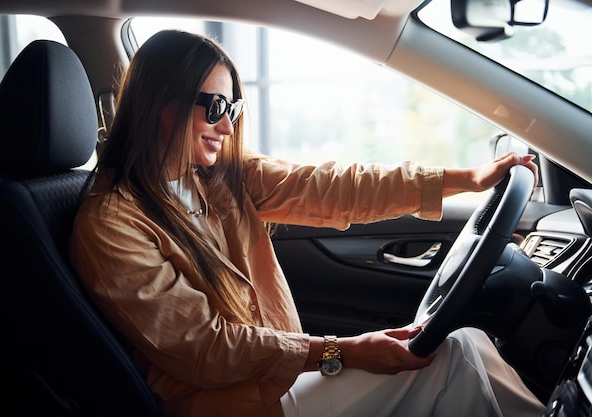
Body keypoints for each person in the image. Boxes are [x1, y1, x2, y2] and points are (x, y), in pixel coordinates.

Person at [69, 29, 545, 417]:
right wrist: (345, 351)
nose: (229, 127)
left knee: (470, 343)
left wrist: (468, 178)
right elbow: (207, 348)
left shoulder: (217, 178)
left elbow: (334, 187)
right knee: (455, 359)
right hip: (232, 404)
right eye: (215, 108)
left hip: (278, 380)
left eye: (232, 109)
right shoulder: (112, 224)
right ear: (161, 105)